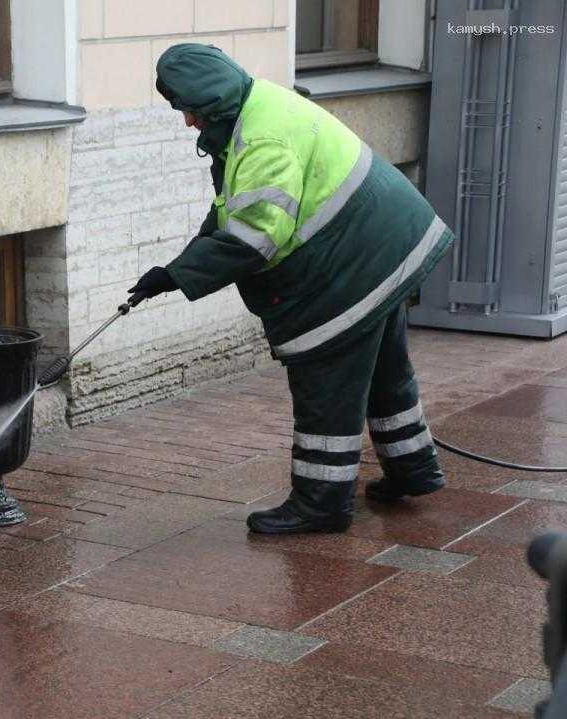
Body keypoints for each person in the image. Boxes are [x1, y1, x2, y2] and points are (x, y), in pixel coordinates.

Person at [130, 44, 453, 535]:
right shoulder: (260, 103)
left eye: (191, 111)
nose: (189, 122)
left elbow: (253, 238)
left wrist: (178, 276)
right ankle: (414, 469)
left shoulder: (263, 141)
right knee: (386, 370)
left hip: (353, 262)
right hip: (386, 243)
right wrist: (179, 265)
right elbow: (234, 207)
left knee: (327, 381)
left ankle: (321, 504)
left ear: (213, 101)